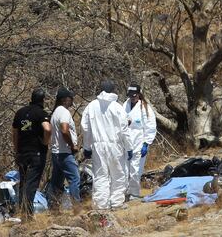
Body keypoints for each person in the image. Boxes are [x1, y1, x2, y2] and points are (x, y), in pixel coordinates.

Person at [81, 80, 133, 210]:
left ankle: (100, 205)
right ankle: (116, 203)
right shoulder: (117, 107)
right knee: (118, 174)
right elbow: (124, 129)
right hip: (115, 145)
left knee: (100, 175)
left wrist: (87, 147)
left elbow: (85, 128)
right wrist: (129, 147)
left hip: (98, 146)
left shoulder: (91, 106)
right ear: (113, 90)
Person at [12, 88, 51, 220]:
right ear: (42, 100)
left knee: (23, 182)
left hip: (22, 153)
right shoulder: (41, 113)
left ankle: (22, 211)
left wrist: (17, 151)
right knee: (32, 183)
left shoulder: (20, 113)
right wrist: (45, 143)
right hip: (36, 153)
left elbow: (15, 133)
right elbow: (47, 128)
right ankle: (28, 214)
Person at [48, 87, 81, 212]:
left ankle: (54, 208)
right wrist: (72, 145)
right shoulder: (64, 112)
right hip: (65, 153)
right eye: (70, 98)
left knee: (56, 182)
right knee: (75, 179)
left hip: (56, 152)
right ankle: (77, 208)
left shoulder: (55, 112)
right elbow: (64, 130)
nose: (72, 100)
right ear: (64, 99)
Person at [123, 84, 157, 200]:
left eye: (135, 95)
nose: (132, 98)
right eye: (130, 96)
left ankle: (135, 194)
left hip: (139, 142)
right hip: (126, 143)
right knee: (125, 169)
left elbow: (150, 126)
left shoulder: (144, 108)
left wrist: (146, 143)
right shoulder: (125, 105)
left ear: (139, 94)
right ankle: (125, 193)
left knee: (135, 170)